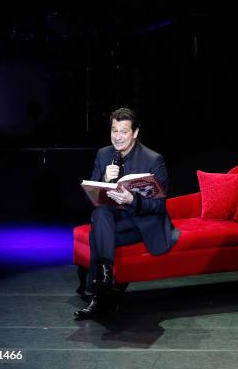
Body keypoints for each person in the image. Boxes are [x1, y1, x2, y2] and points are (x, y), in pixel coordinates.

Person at [74, 107, 180, 320]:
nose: (118, 137)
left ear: (135, 133)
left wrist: (134, 200)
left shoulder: (153, 159)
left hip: (140, 222)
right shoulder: (103, 154)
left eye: (123, 132)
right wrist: (104, 180)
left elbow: (159, 206)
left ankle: (98, 296)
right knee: (101, 214)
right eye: (114, 131)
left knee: (99, 235)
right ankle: (106, 282)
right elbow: (91, 199)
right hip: (113, 218)